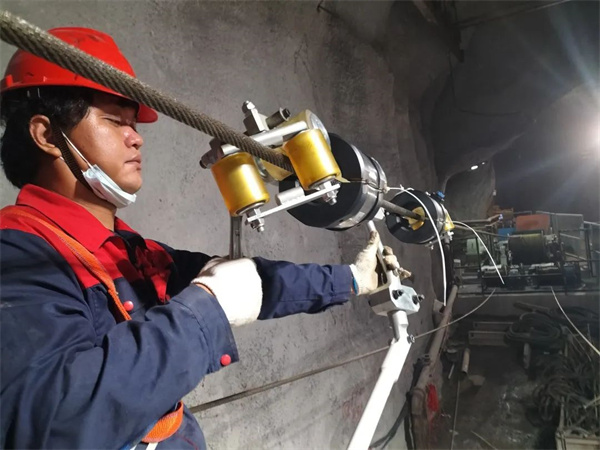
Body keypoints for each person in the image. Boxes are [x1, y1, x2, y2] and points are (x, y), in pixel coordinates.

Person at [0, 27, 399, 449]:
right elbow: (52, 421)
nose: (136, 137)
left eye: (134, 124)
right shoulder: (17, 254)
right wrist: (208, 306)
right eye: (115, 121)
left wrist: (353, 279)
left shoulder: (127, 252)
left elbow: (256, 281)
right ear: (47, 136)